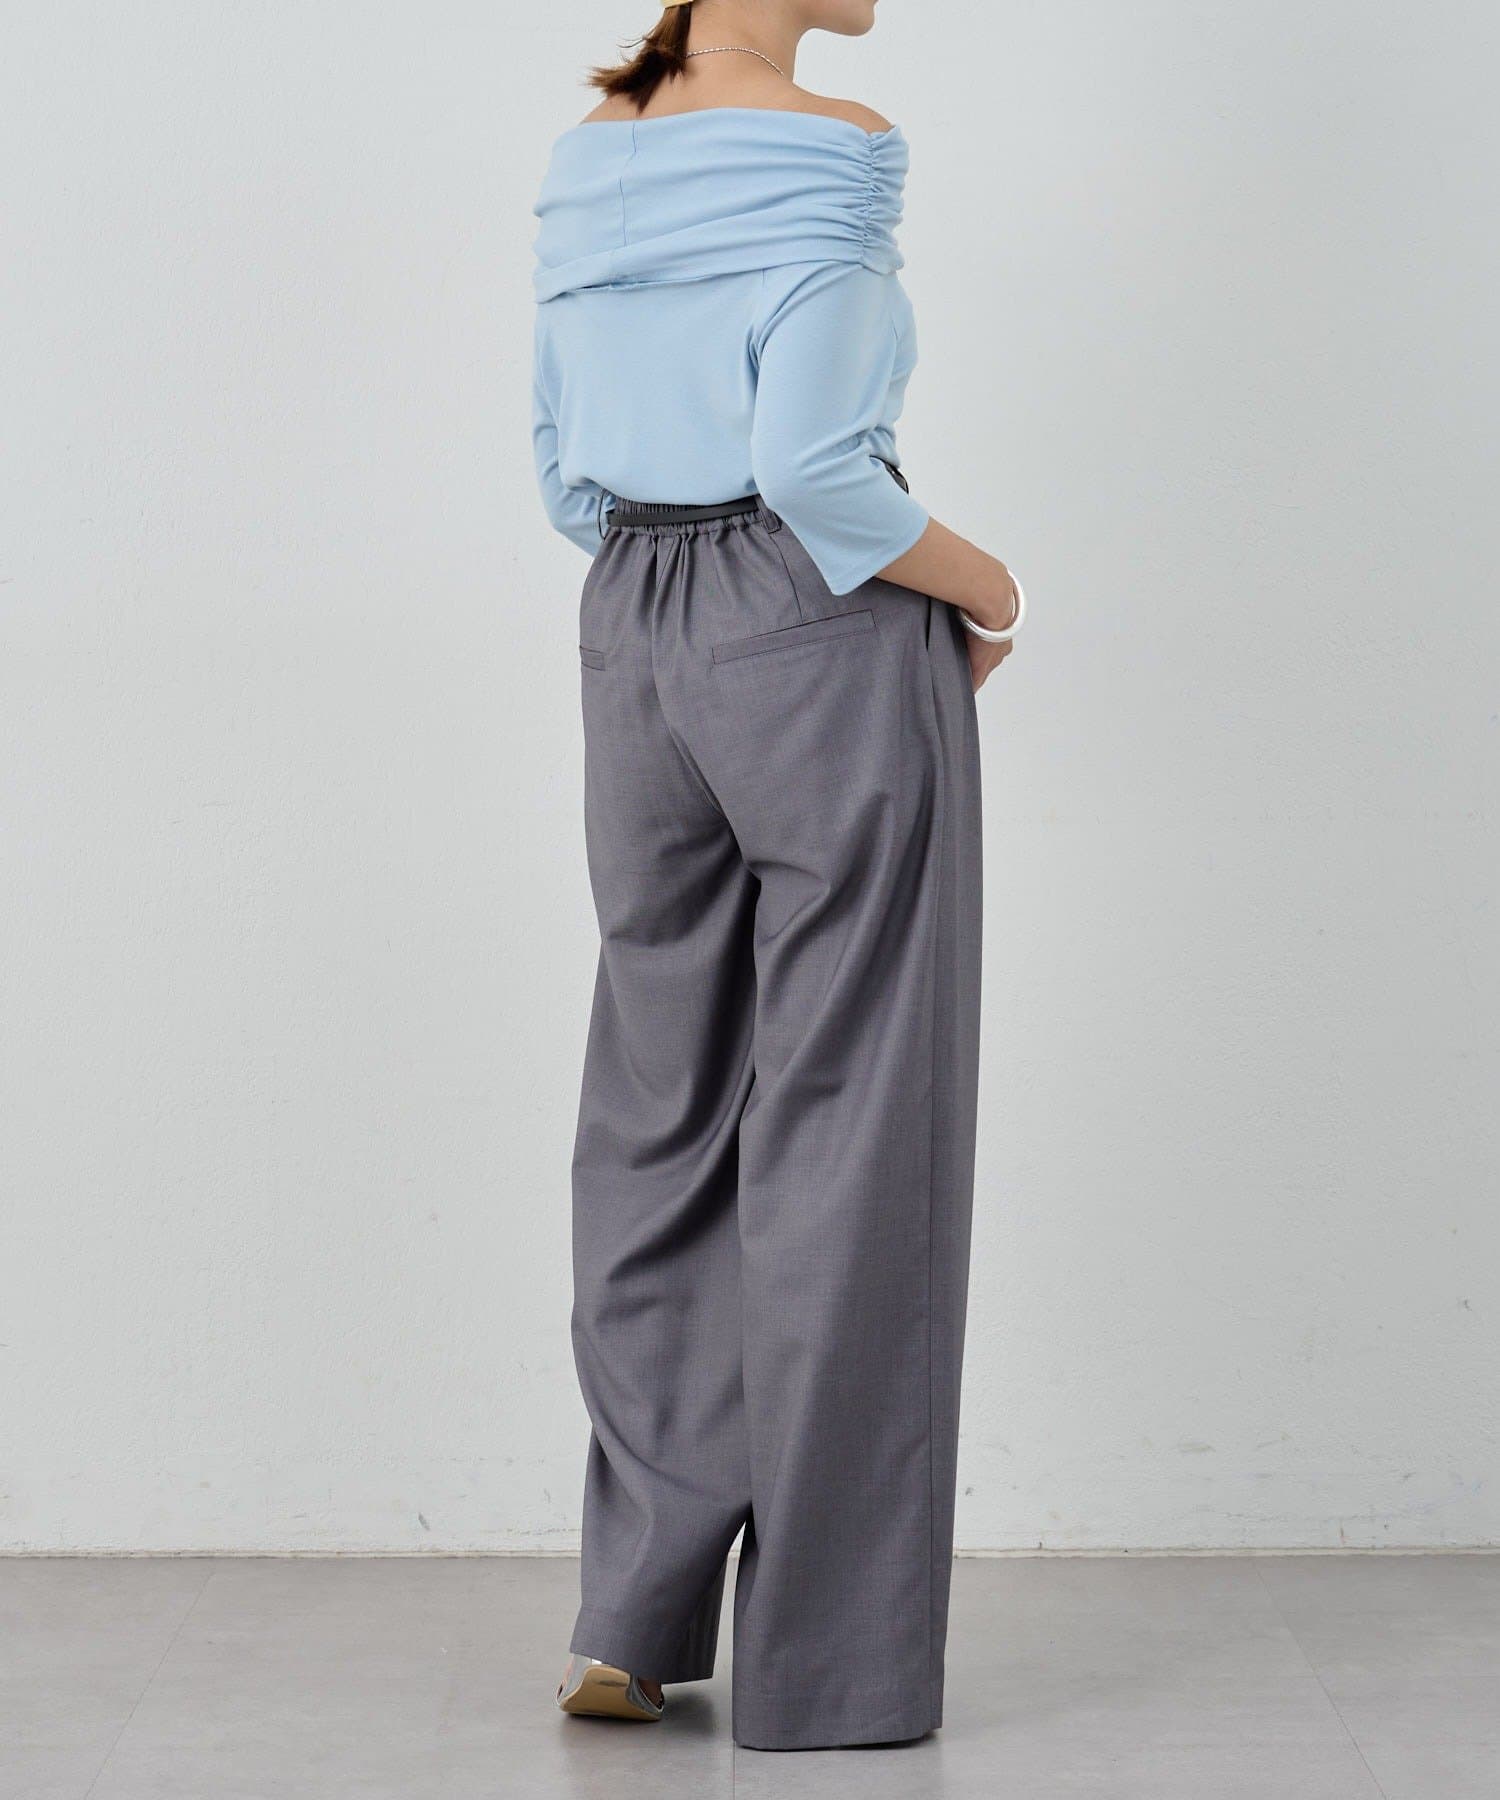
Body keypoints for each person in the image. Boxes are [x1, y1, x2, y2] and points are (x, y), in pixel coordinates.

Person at [531, 0, 1023, 1752]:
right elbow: (818, 471)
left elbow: (560, 470)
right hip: (814, 630)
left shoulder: (587, 158)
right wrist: (992, 589)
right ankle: (831, 1669)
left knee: (657, 1112)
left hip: (633, 626)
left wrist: (676, 590)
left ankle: (634, 1615)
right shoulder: (834, 145)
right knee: (855, 1128)